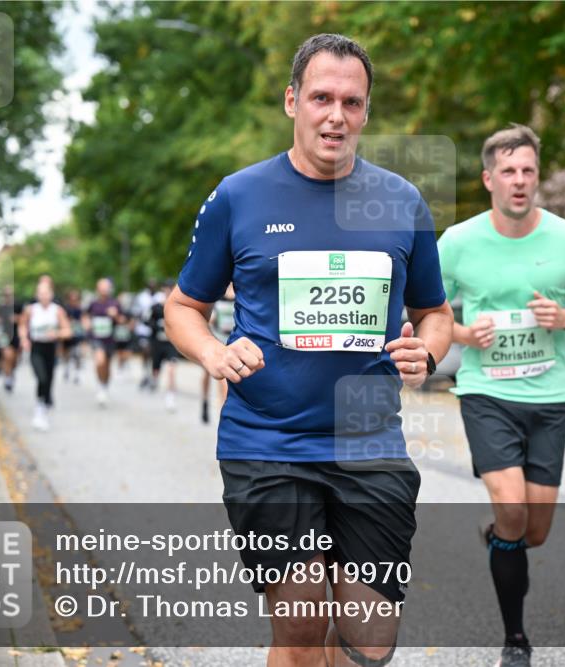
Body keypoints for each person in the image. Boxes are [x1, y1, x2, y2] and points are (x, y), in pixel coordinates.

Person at [164, 33, 452, 667]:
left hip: (369, 443)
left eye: (352, 102)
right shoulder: (240, 195)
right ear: (292, 100)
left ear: (367, 112)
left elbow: (435, 314)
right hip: (267, 444)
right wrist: (214, 353)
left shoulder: (401, 202)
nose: (336, 115)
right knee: (300, 626)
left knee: (369, 642)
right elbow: (183, 307)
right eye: (322, 97)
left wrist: (426, 354)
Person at [438, 124, 565, 666]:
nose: (519, 180)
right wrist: (463, 334)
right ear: (489, 178)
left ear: (538, 177)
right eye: (508, 171)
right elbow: (428, 311)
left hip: (550, 398)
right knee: (513, 510)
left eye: (528, 171)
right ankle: (515, 639)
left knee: (534, 530)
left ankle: (499, 537)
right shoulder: (459, 242)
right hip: (487, 392)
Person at [19, 279, 72, 431]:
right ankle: (39, 408)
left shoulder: (57, 310)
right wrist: (24, 339)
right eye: (40, 293)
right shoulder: (30, 309)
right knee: (41, 377)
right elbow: (22, 325)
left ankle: (44, 406)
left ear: (51, 294)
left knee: (48, 379)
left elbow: (68, 331)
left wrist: (57, 333)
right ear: (37, 295)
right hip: (36, 348)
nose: (43, 296)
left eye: (46, 293)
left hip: (51, 348)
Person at [83, 278, 121, 407]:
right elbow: (85, 315)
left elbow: (123, 320)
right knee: (100, 361)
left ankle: (104, 385)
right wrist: (86, 323)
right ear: (97, 289)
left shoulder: (115, 303)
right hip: (96, 337)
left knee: (107, 365)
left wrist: (115, 316)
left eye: (106, 287)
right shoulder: (93, 303)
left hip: (110, 339)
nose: (104, 289)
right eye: (101, 287)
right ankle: (100, 385)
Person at [201, 283, 235, 423]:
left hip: (232, 339)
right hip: (217, 337)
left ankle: (224, 412)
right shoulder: (218, 293)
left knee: (224, 378)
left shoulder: (240, 293)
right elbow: (209, 318)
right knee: (207, 373)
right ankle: (205, 401)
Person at [148, 281, 179, 412]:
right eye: (167, 289)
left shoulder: (178, 307)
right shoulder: (156, 307)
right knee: (156, 368)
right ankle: (154, 379)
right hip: (158, 342)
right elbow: (147, 321)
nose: (169, 292)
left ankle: (170, 396)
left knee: (171, 369)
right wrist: (158, 325)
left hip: (171, 343)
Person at [61, 289, 85, 384]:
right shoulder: (65, 309)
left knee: (77, 354)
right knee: (67, 352)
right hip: (68, 334)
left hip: (78, 334)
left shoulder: (80, 309)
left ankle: (77, 373)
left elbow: (83, 319)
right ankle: (66, 367)